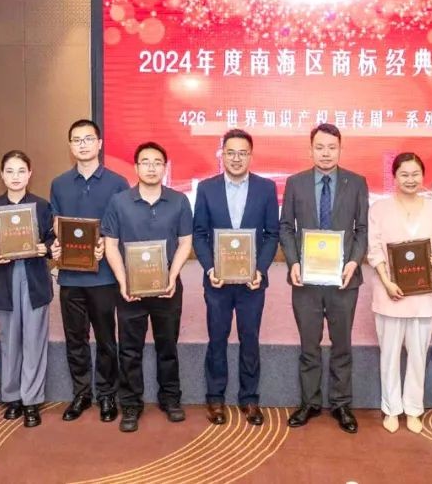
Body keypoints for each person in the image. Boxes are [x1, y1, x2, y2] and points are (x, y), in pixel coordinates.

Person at [279, 123, 369, 434]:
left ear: (340, 149)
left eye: (332, 147)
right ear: (310, 150)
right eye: (320, 147)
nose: (326, 153)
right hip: (306, 281)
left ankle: (341, 404)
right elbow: (286, 227)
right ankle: (310, 402)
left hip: (344, 280)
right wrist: (293, 262)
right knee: (309, 345)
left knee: (342, 345)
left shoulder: (356, 182)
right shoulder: (295, 183)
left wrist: (354, 262)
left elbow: (362, 229)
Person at [102, 141, 194, 433]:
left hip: (167, 287)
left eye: (157, 162)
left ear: (164, 168)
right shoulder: (119, 202)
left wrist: (172, 276)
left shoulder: (179, 201)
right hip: (130, 289)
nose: (151, 167)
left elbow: (185, 243)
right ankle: (131, 403)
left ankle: (170, 398)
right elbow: (110, 245)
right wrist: (122, 281)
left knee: (168, 346)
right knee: (130, 349)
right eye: (145, 162)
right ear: (136, 167)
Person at [192, 129, 279, 427]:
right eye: (231, 152)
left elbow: (272, 234)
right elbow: (199, 234)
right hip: (217, 281)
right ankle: (215, 397)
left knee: (249, 338)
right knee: (217, 337)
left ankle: (249, 398)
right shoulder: (207, 188)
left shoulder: (266, 188)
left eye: (243, 153)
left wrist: (260, 270)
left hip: (251, 282)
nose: (237, 158)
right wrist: (209, 268)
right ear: (222, 155)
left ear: (251, 156)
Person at [49, 119, 127, 422]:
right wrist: (56, 247)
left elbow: (122, 227)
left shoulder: (117, 183)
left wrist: (105, 243)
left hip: (104, 276)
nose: (82, 145)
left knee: (106, 339)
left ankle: (107, 395)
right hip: (70, 276)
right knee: (75, 339)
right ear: (70, 146)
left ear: (99, 143)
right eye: (76, 140)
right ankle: (81, 394)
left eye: (88, 139)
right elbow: (57, 225)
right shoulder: (59, 184)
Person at [367, 152, 432, 434]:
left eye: (415, 174)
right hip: (391, 292)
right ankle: (391, 408)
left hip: (424, 296)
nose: (410, 180)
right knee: (389, 356)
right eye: (404, 174)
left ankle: (413, 409)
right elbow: (374, 250)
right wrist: (387, 283)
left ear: (422, 176)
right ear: (394, 177)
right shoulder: (379, 209)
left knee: (418, 356)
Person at [0, 151, 55, 428]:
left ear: (30, 174)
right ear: (2, 175)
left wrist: (44, 247)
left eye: (21, 171)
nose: (16, 177)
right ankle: (12, 396)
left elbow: (52, 239)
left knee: (34, 340)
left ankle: (31, 400)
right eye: (10, 171)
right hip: (5, 279)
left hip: (34, 278)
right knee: (10, 340)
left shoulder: (42, 206)